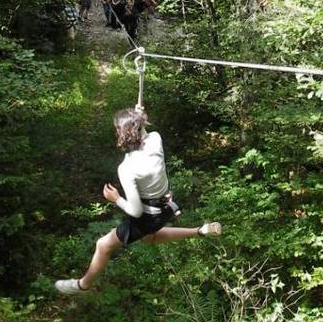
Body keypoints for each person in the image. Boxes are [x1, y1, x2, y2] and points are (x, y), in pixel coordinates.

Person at [55, 107, 222, 295]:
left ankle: (82, 285)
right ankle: (200, 231)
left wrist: (116, 198)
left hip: (149, 215)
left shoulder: (127, 168)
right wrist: (138, 115)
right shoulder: (155, 140)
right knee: (150, 238)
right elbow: (145, 133)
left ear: (122, 133)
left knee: (103, 245)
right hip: (166, 206)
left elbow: (135, 212)